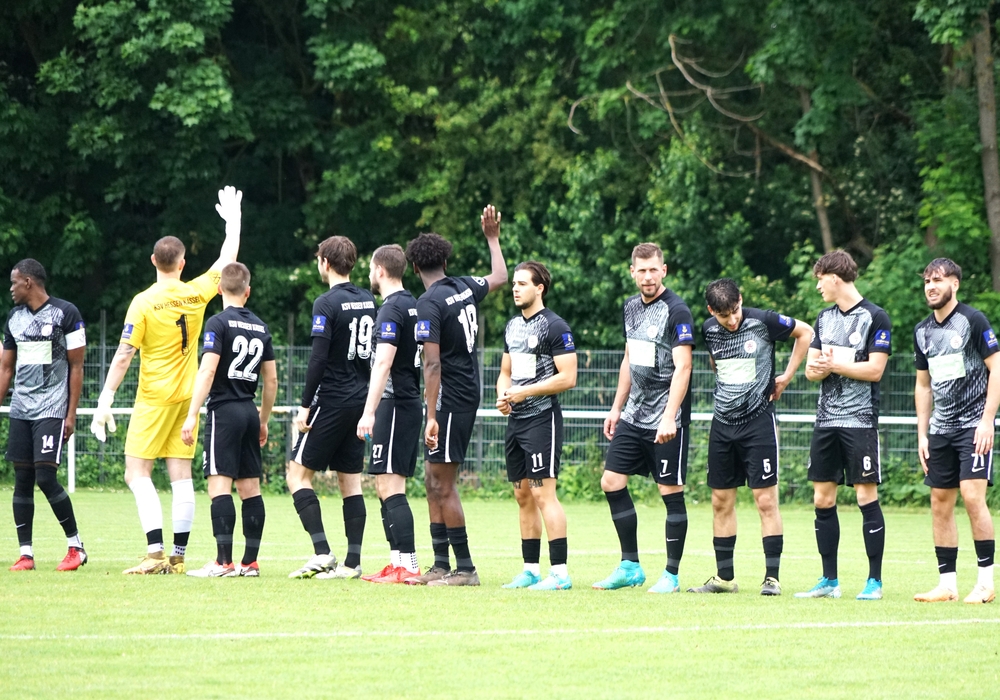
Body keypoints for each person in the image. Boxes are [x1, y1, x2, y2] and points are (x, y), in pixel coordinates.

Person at [91, 187, 242, 574]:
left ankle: (155, 553)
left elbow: (124, 354)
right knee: (180, 476)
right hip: (188, 398)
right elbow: (227, 261)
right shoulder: (195, 293)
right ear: (182, 263)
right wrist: (233, 223)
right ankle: (177, 557)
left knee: (136, 472)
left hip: (154, 398)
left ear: (153, 261)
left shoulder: (143, 302)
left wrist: (105, 400)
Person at [403, 205, 507, 586]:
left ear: (415, 268)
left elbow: (432, 365)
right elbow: (500, 276)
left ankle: (465, 569)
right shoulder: (463, 286)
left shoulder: (428, 303)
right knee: (432, 479)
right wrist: (492, 239)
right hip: (463, 393)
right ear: (444, 262)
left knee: (442, 483)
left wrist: (431, 415)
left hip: (450, 397)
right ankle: (440, 564)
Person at [688, 278, 811, 596]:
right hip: (722, 425)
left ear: (741, 300)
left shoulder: (764, 321)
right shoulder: (708, 330)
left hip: (758, 423)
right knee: (720, 501)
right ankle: (724, 578)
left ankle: (772, 578)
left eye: (735, 311)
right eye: (723, 315)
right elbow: (716, 364)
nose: (732, 320)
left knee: (765, 500)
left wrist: (786, 376)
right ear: (711, 311)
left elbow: (806, 332)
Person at [593, 243, 695, 593]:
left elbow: (684, 367)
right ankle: (630, 566)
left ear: (663, 270)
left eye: (654, 269)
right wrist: (616, 408)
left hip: (666, 420)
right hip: (633, 415)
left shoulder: (677, 310)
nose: (648, 276)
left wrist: (669, 417)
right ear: (632, 272)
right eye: (642, 270)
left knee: (670, 491)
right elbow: (629, 358)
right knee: (611, 481)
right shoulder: (631, 307)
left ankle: (671, 575)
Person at [796, 251, 892, 601]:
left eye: (820, 279)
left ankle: (874, 582)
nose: (818, 286)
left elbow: (875, 370)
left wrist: (833, 366)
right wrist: (818, 368)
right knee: (822, 498)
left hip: (860, 422)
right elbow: (811, 371)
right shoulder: (824, 319)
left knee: (866, 496)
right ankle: (829, 581)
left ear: (835, 277)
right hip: (826, 422)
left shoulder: (875, 316)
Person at [287, 236, 376, 580]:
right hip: (360, 399)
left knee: (297, 476)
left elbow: (319, 358)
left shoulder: (326, 302)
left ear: (325, 262)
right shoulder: (367, 298)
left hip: (333, 399)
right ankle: (352, 563)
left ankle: (322, 552)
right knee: (350, 482)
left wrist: (305, 405)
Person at [179, 262, 277, 577]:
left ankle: (223, 562)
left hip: (224, 411)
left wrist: (191, 415)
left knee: (219, 487)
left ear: (219, 289)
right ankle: (250, 563)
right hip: (249, 410)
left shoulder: (217, 323)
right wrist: (263, 419)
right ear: (248, 292)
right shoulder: (261, 327)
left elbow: (208, 370)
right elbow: (271, 380)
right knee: (251, 489)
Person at [913, 258, 999, 604]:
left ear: (955, 284)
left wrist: (987, 420)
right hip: (940, 430)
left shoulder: (973, 320)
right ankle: (947, 585)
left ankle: (986, 583)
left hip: (973, 427)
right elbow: (923, 386)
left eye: (938, 280)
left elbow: (997, 368)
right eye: (927, 281)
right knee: (939, 502)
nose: (931, 287)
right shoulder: (922, 331)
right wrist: (922, 434)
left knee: (973, 497)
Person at [1, 259, 87, 571]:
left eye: (14, 282)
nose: (11, 288)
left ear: (28, 282)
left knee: (46, 477)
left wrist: (70, 414)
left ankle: (76, 547)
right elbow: (6, 368)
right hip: (21, 409)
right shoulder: (14, 318)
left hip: (52, 408)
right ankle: (26, 554)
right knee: (22, 479)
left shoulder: (66, 313)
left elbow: (76, 366)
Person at [497, 262, 577, 591]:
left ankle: (560, 574)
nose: (515, 289)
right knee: (523, 495)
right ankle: (530, 570)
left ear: (539, 288)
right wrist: (503, 395)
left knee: (544, 494)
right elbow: (506, 372)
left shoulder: (555, 326)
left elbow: (568, 377)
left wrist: (524, 392)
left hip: (542, 420)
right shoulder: (513, 326)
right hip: (516, 421)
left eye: (522, 284)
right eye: (514, 283)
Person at [355, 244, 423, 584]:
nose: (370, 274)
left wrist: (368, 412)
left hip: (396, 404)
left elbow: (383, 363)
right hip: (406, 403)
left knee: (391, 485)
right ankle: (396, 562)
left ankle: (408, 565)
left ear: (380, 270)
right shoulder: (414, 304)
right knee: (385, 484)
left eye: (371, 268)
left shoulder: (392, 308)